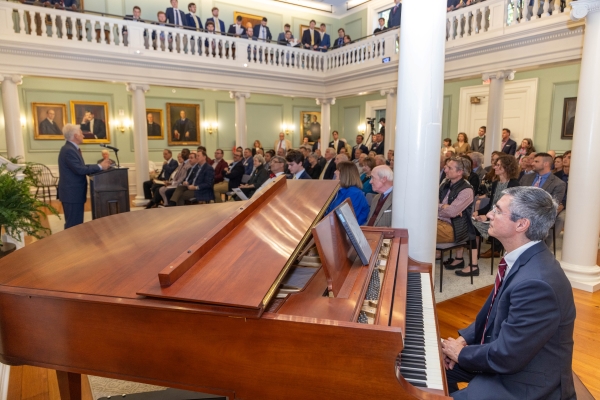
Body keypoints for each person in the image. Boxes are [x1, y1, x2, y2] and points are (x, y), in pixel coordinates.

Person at [441, 186, 576, 400]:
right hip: (509, 358)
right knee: (436, 362)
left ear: (521, 224)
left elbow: (507, 356)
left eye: (498, 210)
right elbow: (492, 313)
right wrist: (463, 341)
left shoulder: (536, 283)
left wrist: (461, 354)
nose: (489, 215)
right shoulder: (522, 257)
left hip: (525, 383)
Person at [58, 124, 112, 229]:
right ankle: (72, 245)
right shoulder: (69, 150)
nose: (83, 135)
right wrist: (100, 166)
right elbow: (80, 170)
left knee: (76, 224)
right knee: (73, 226)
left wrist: (99, 166)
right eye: (81, 133)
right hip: (72, 194)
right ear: (75, 135)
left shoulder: (71, 148)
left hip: (73, 194)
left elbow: (80, 167)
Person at [473, 155, 520, 260]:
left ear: (507, 167)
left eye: (498, 165)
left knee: (473, 225)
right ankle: (474, 254)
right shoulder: (496, 183)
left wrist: (487, 217)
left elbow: (507, 209)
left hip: (505, 217)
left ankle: (494, 250)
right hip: (493, 215)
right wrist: (478, 212)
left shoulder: (514, 184)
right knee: (471, 221)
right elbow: (491, 204)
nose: (494, 167)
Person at [436, 157, 474, 244]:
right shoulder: (445, 185)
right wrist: (443, 206)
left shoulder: (467, 190)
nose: (445, 170)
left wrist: (435, 210)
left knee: (420, 231)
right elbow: (430, 204)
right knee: (415, 228)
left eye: (450, 168)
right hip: (437, 222)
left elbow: (451, 212)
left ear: (459, 172)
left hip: (452, 228)